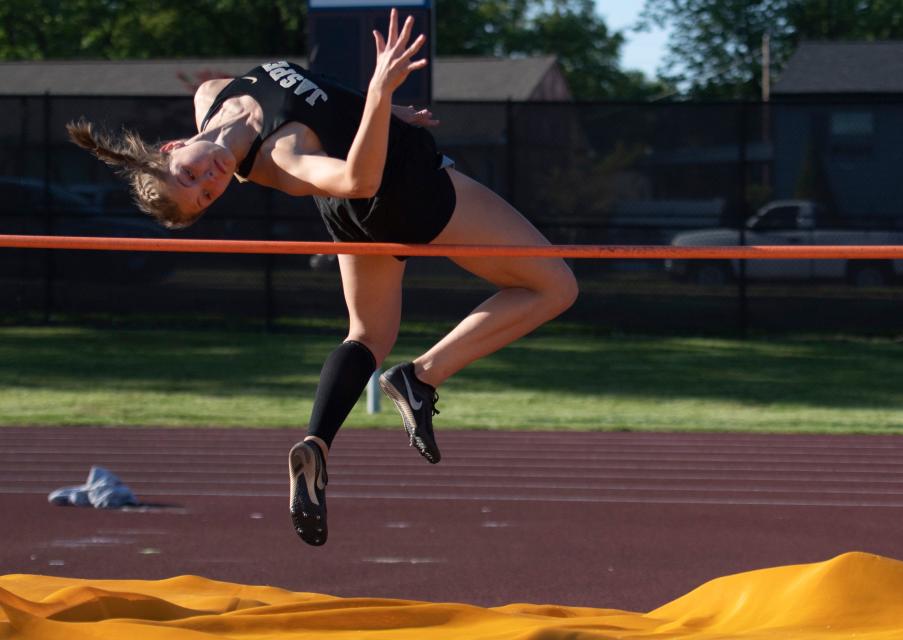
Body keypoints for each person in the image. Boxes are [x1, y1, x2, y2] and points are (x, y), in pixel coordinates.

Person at [66, 9, 578, 547]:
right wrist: (380, 90)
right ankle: (423, 375)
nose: (210, 179)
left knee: (368, 335)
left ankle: (317, 444)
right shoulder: (282, 157)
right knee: (554, 286)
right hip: (403, 189)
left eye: (194, 178)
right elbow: (359, 179)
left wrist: (378, 110)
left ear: (174, 146)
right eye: (206, 194)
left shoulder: (210, 95)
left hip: (351, 216)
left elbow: (321, 100)